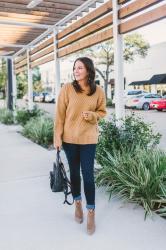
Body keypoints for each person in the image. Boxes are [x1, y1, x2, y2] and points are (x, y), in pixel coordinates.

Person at [54, 57, 107, 235]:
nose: (76, 71)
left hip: (89, 140)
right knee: (74, 174)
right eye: (75, 68)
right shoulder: (67, 88)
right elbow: (60, 115)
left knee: (89, 176)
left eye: (80, 68)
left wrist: (93, 116)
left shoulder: (98, 91)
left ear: (88, 71)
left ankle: (91, 211)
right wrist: (57, 138)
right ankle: (77, 204)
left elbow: (102, 111)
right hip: (69, 140)